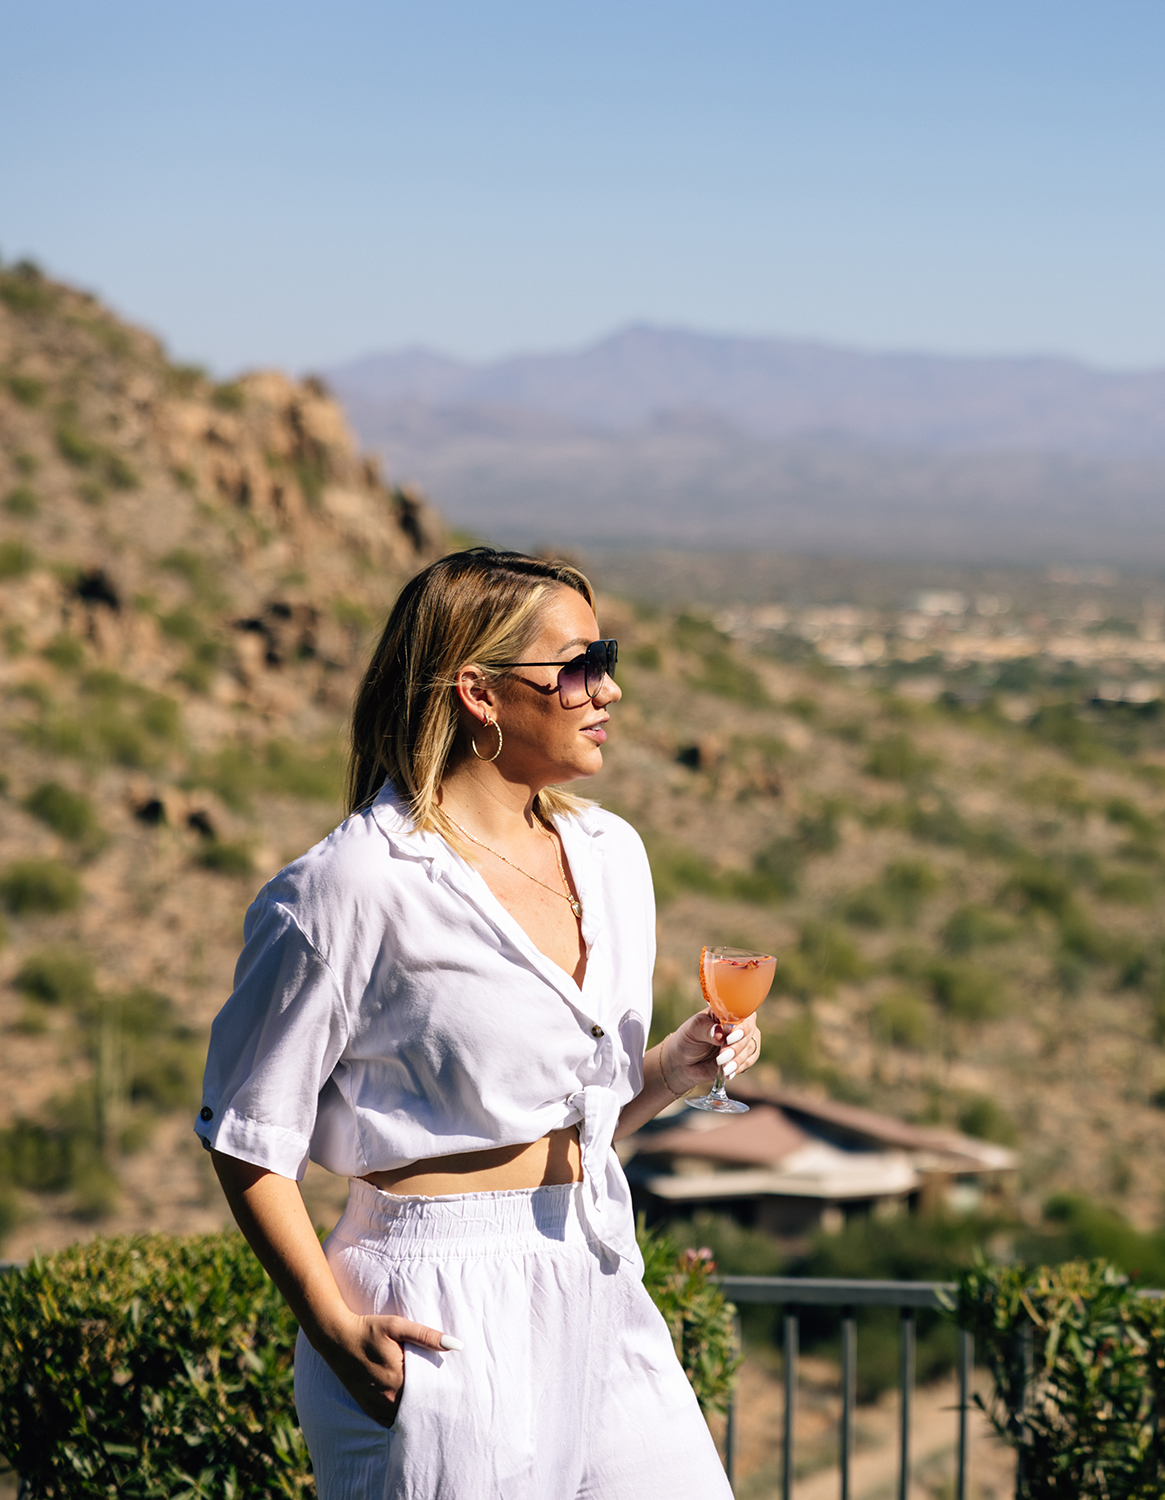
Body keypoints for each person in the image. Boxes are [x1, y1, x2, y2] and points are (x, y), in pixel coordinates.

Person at [199, 548, 752, 1499]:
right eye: (580, 665)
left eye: (608, 657)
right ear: (480, 692)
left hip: (598, 1269)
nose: (609, 689)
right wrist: (331, 1327)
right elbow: (246, 1135)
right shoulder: (350, 886)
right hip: (435, 1304)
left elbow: (571, 1122)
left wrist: (672, 1070)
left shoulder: (612, 855)